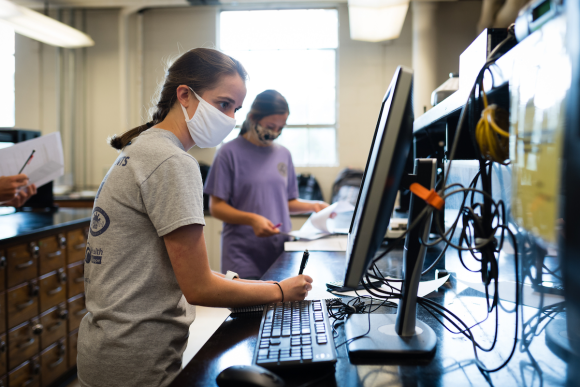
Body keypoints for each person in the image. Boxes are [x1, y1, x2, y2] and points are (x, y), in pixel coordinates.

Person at [77, 48, 313, 387]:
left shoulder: (144, 149)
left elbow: (182, 269)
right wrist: (278, 291)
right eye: (223, 104)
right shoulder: (172, 162)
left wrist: (257, 286)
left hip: (109, 349)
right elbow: (199, 287)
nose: (230, 118)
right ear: (184, 95)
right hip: (136, 359)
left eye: (236, 109)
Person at [204, 90, 329, 280]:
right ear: (253, 117)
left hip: (280, 251)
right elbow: (216, 208)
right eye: (271, 126)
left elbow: (286, 201)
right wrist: (253, 219)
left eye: (281, 128)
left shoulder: (284, 154)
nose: (276, 132)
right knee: (247, 309)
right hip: (242, 253)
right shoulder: (228, 153)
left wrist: (314, 206)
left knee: (282, 308)